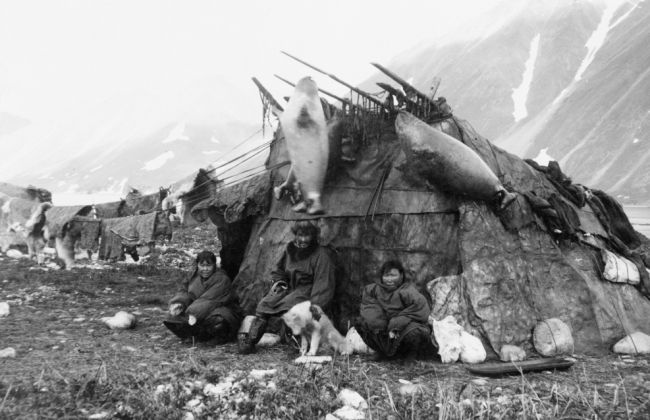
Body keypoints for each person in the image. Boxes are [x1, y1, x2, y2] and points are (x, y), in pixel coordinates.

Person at [238, 220, 337, 354]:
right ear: (295, 235)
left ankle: (298, 343)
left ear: (313, 236)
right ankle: (249, 341)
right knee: (265, 305)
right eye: (299, 235)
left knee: (292, 309)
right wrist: (279, 282)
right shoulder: (290, 250)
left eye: (306, 235)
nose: (302, 239)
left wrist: (315, 306)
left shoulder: (321, 255)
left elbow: (323, 285)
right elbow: (279, 270)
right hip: (289, 288)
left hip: (307, 292)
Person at [355, 260, 435, 360]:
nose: (389, 279)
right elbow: (368, 305)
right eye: (386, 276)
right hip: (384, 328)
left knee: (415, 332)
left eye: (393, 275)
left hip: (402, 329)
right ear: (381, 276)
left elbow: (420, 308)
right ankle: (382, 352)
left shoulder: (407, 291)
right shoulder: (373, 289)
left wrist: (398, 321)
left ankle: (409, 358)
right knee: (360, 323)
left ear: (401, 275)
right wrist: (380, 322)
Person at [164, 250, 242, 343]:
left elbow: (209, 300)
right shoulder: (193, 277)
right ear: (197, 265)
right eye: (202, 265)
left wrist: (190, 314)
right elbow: (184, 292)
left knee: (218, 320)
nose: (205, 269)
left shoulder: (222, 279)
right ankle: (193, 336)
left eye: (208, 266)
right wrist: (179, 303)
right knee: (170, 318)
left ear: (214, 266)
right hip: (197, 311)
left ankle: (216, 338)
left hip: (218, 308)